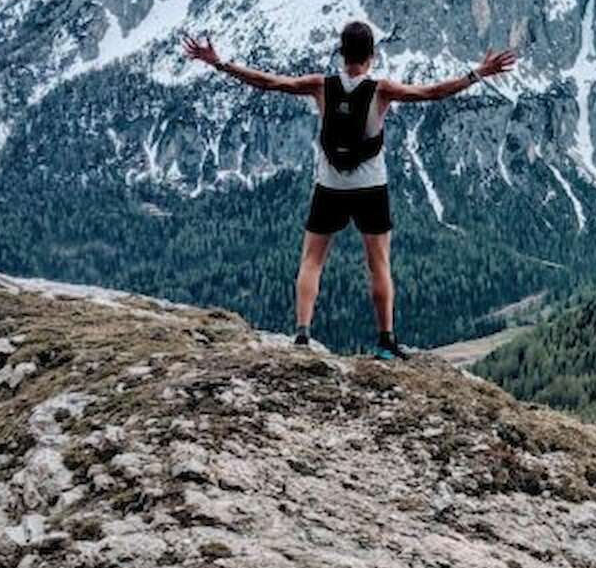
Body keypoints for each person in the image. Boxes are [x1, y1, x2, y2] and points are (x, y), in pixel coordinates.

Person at [180, 20, 516, 358]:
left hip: (330, 186)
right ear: (372, 55)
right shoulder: (381, 89)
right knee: (379, 264)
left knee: (312, 260)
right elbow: (432, 93)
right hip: (371, 186)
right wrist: (478, 74)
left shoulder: (320, 85)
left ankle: (302, 334)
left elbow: (268, 82)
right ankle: (385, 340)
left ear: (341, 53)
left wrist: (218, 62)